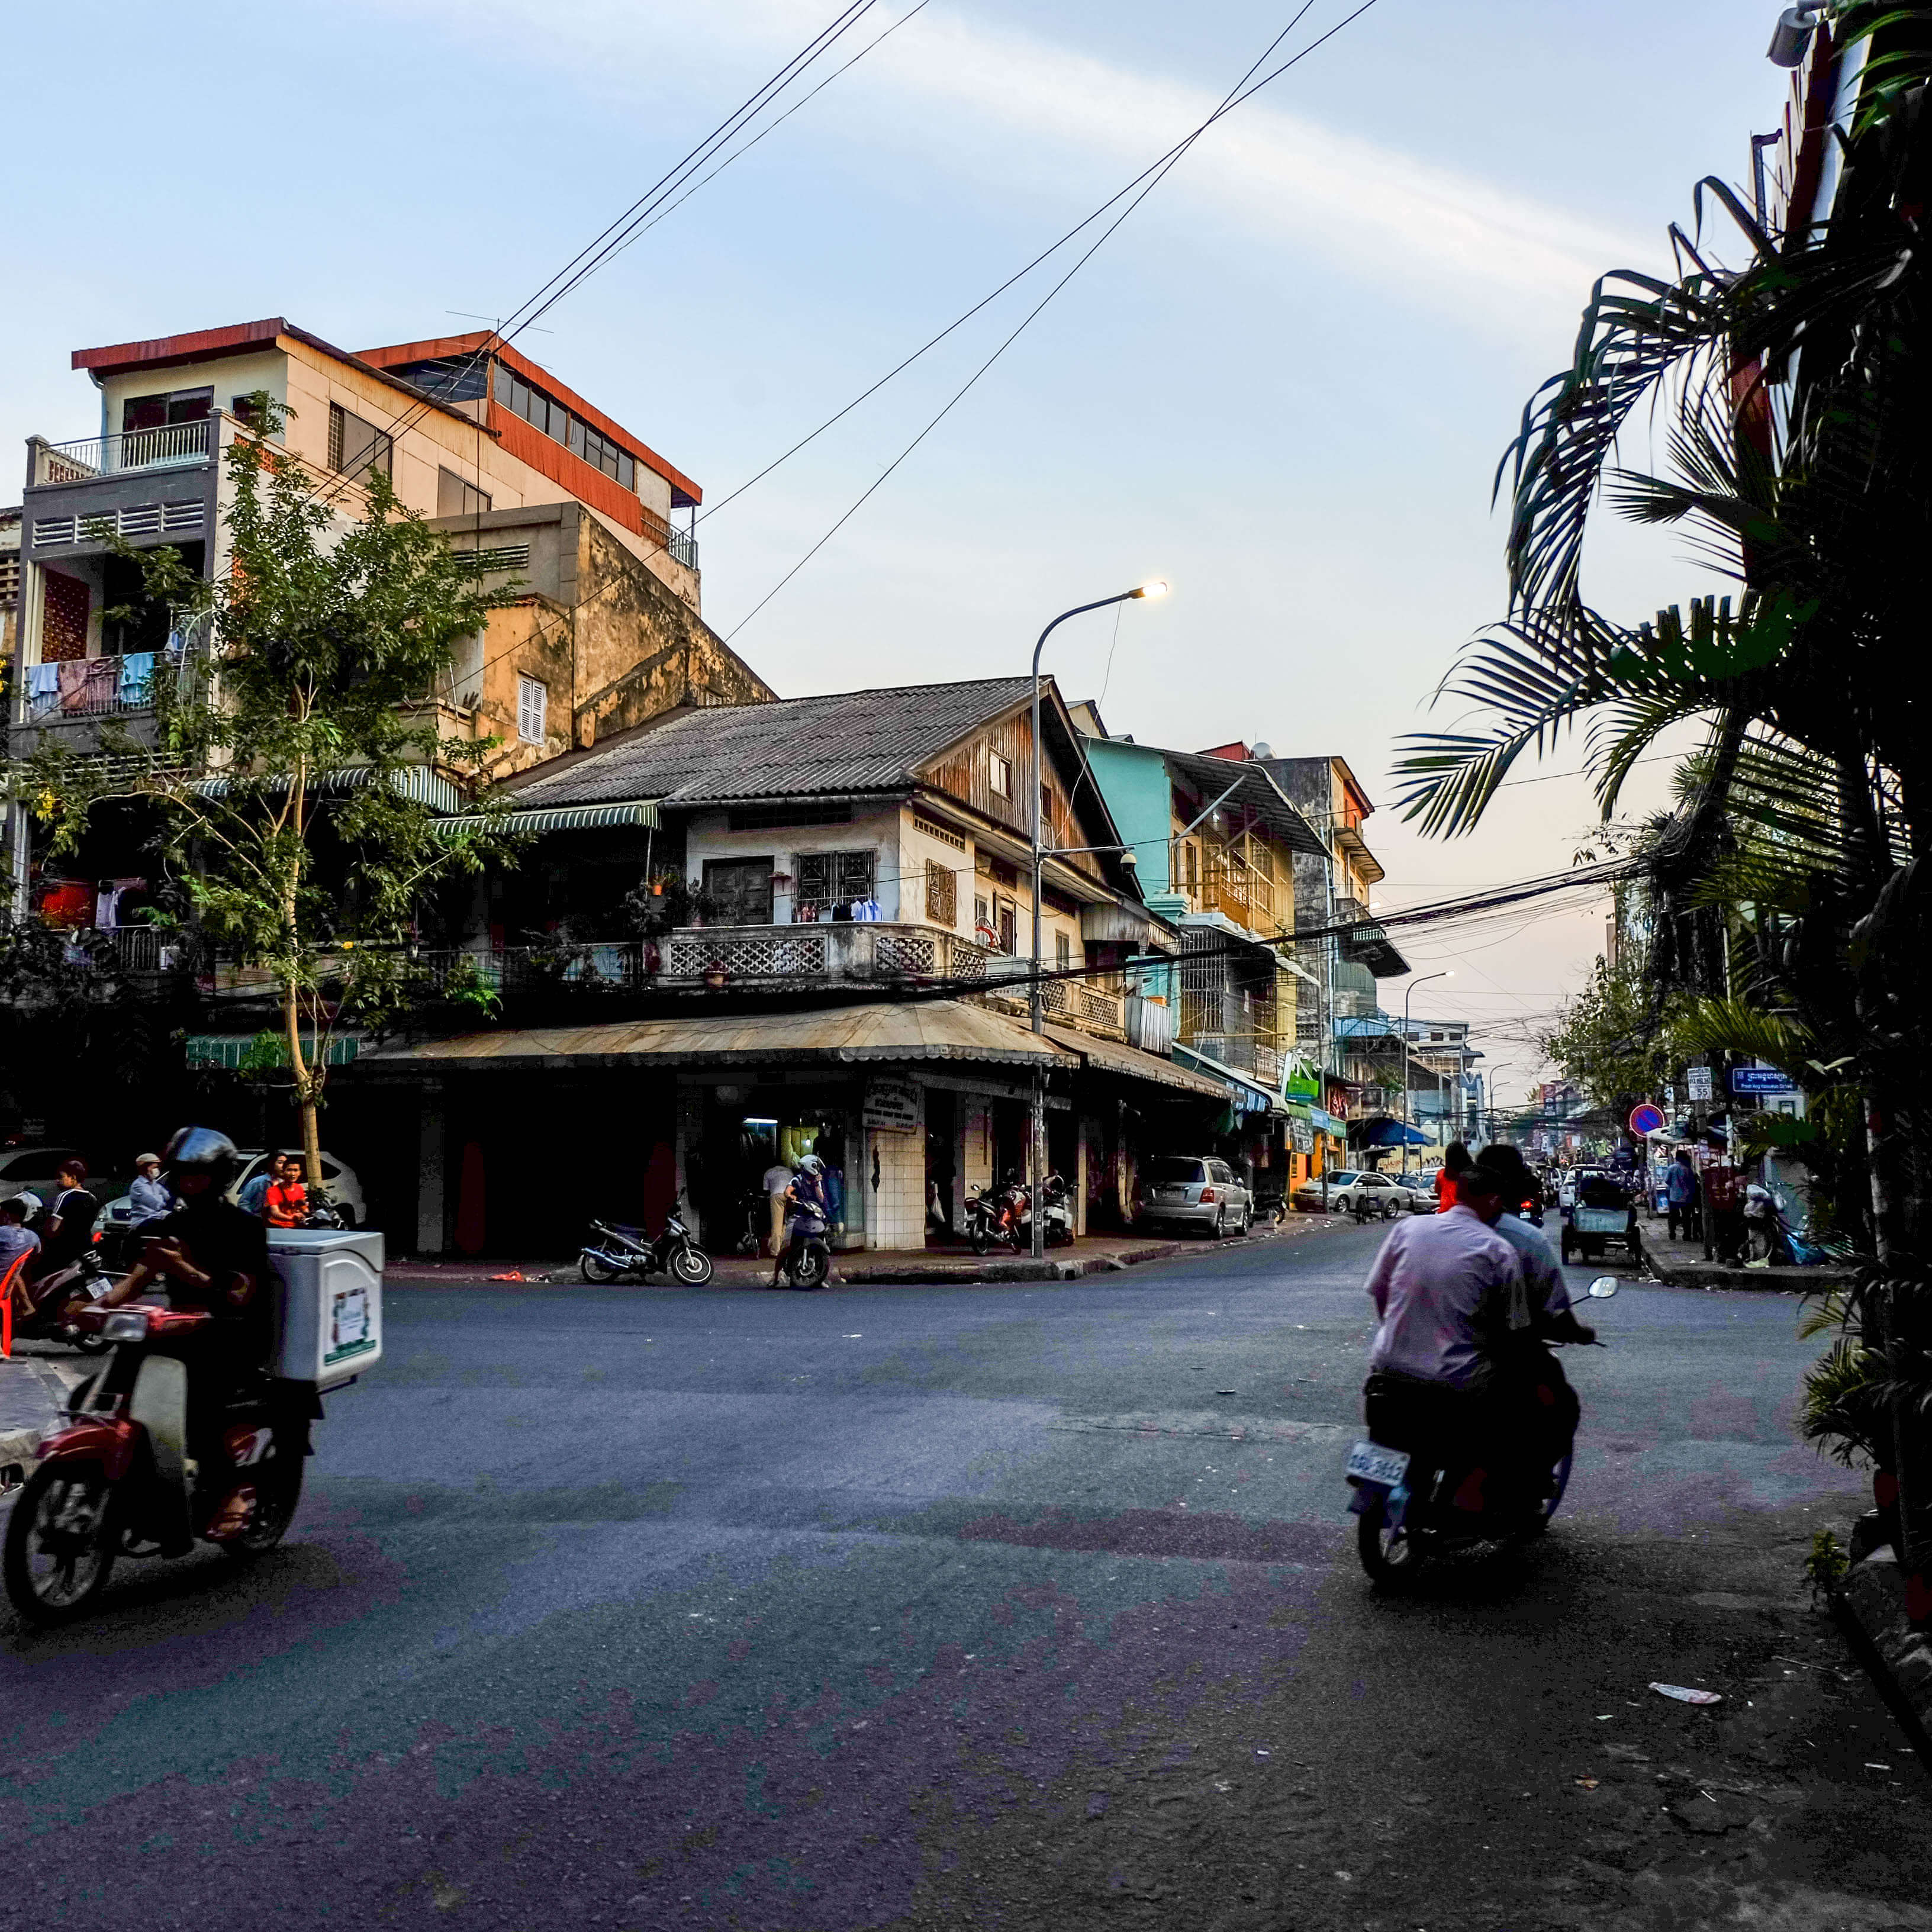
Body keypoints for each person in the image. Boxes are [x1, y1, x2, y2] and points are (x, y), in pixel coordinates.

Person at [96, 1127, 274, 1540]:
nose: (188, 1182)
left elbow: (239, 1294)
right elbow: (142, 1273)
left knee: (200, 1410)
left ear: (219, 1177)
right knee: (105, 1389)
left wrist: (182, 1270)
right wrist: (102, 1303)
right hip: (184, 1331)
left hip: (233, 1337)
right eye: (182, 1174)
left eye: (198, 1174)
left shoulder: (244, 1227)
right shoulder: (174, 1221)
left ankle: (232, 1491)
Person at [1361, 1161, 1530, 1511]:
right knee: (1513, 1407)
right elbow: (1516, 1325)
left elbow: (1378, 1289)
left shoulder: (1409, 1228)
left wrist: (1395, 1332)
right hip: (1454, 1379)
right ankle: (1470, 1495)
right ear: (1495, 1202)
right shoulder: (1498, 1251)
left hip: (1387, 1367)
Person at [1477, 1144, 1596, 1476]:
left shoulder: (1421, 1231)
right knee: (1561, 1407)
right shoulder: (1522, 1239)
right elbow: (1553, 1310)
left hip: (1399, 1357)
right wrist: (1574, 1331)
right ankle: (1527, 1481)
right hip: (1488, 1357)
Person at [32, 1158, 99, 1281]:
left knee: (37, 1274)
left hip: (65, 1250)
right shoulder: (92, 1198)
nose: (57, 1181)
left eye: (61, 1177)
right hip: (86, 1246)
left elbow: (53, 1228)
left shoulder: (66, 1196)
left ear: (73, 1178)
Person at [773, 1154, 831, 1287]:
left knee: (822, 1246)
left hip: (814, 1216)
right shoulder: (797, 1180)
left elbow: (821, 1199)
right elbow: (787, 1191)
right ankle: (775, 1277)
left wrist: (817, 1184)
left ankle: (820, 1278)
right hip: (798, 1217)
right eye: (816, 1166)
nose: (818, 1169)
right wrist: (791, 1196)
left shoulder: (817, 1181)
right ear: (810, 1166)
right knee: (786, 1247)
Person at [0, 1196, 40, 1318]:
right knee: (15, 1269)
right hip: (6, 1288)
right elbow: (37, 1252)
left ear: (7, 1215)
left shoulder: (2, 1233)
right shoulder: (33, 1237)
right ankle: (26, 1306)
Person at [1665, 1149, 1702, 1242]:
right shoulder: (1687, 1169)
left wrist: (1674, 1185)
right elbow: (1692, 1183)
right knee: (1687, 1217)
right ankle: (1687, 1235)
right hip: (1686, 1197)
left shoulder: (1671, 1168)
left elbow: (1667, 1181)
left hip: (1674, 1196)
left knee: (1672, 1216)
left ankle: (1672, 1233)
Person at [761, 1156, 794, 1259]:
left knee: (776, 1224)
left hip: (777, 1196)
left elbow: (766, 1189)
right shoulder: (789, 1171)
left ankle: (775, 1251)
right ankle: (783, 1246)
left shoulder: (769, 1172)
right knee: (786, 1222)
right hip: (789, 1196)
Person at [264, 1155, 308, 1228]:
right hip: (278, 1226)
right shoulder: (273, 1191)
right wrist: (292, 1218)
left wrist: (306, 1211)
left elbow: (303, 1208)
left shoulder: (299, 1188)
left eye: (296, 1170)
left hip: (296, 1226)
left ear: (300, 1173)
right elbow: (275, 1212)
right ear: (283, 1172)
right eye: (289, 1170)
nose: (293, 1174)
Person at [238, 1154, 281, 1220]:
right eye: (280, 1162)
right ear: (272, 1164)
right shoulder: (258, 1182)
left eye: (286, 1163)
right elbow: (243, 1204)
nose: (283, 1166)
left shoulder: (284, 1183)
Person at [1435, 1141, 1471, 1214]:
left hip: (1445, 1213)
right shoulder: (1473, 1173)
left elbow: (1438, 1192)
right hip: (1468, 1214)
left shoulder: (1442, 1174)